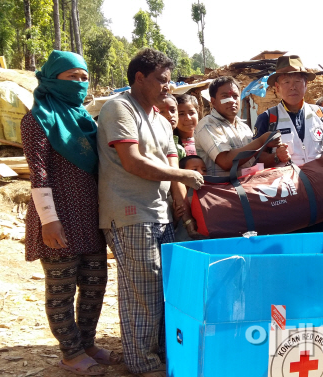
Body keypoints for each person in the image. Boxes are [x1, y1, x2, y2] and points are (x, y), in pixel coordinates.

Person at [96, 48, 204, 377]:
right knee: (143, 289)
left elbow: (171, 163)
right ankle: (142, 362)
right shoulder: (119, 108)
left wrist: (183, 210)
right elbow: (132, 161)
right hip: (129, 211)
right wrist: (183, 175)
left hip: (159, 213)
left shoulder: (159, 118)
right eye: (161, 80)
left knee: (159, 287)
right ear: (139, 78)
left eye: (169, 81)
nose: (167, 87)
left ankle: (155, 352)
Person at [21, 50, 120, 376]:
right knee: (62, 289)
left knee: (95, 284)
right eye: (71, 77)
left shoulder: (85, 121)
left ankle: (88, 343)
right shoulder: (37, 119)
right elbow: (39, 173)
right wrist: (49, 220)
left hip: (90, 217)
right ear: (52, 79)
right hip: (58, 218)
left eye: (83, 77)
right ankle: (71, 353)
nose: (80, 83)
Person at [195, 76, 290, 176]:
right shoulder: (208, 124)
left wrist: (277, 156)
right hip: (223, 189)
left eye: (235, 96)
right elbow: (226, 162)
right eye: (225, 96)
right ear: (213, 101)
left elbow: (255, 159)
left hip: (246, 187)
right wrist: (261, 141)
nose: (232, 100)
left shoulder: (243, 127)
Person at [254, 55, 323, 167]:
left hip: (319, 178)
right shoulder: (267, 118)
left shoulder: (321, 114)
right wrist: (276, 157)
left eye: (298, 81)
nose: (292, 87)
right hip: (287, 182)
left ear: (306, 85)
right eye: (286, 82)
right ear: (277, 87)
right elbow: (257, 157)